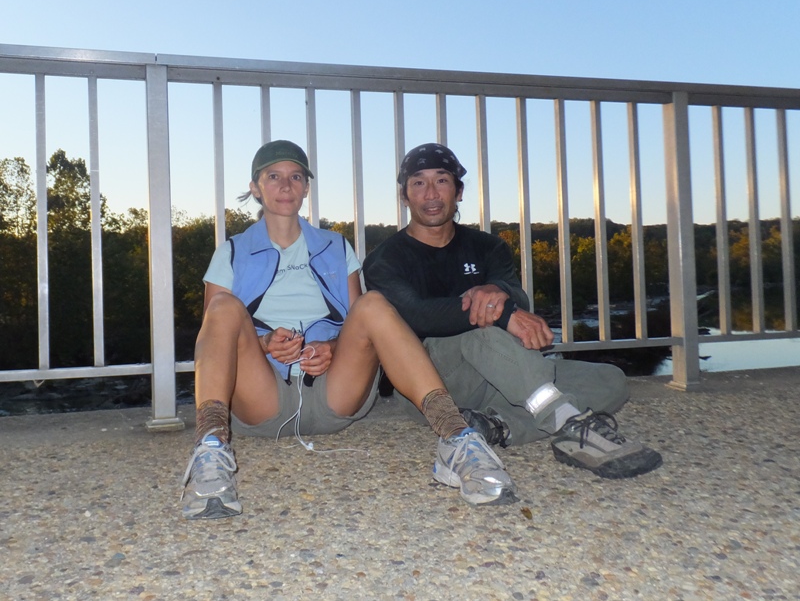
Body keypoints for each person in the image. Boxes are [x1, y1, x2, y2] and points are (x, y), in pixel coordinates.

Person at [181, 140, 518, 519]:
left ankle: (456, 438)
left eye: (295, 177)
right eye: (273, 177)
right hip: (260, 398)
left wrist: (333, 346)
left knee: (372, 304)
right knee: (224, 306)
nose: (286, 186)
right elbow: (215, 333)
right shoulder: (232, 250)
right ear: (256, 188)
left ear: (307, 187)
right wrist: (263, 344)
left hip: (334, 393)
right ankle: (210, 450)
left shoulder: (334, 246)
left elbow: (358, 325)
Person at [363, 143, 662, 481]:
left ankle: (496, 427)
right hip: (433, 385)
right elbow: (418, 315)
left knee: (611, 381)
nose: (431, 193)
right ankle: (566, 422)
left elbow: (517, 293)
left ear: (458, 191)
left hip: (503, 374)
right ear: (404, 196)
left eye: (442, 181)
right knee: (481, 326)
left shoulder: (487, 246)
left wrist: (500, 292)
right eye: (418, 183)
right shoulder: (385, 259)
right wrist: (503, 313)